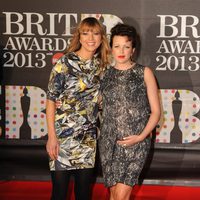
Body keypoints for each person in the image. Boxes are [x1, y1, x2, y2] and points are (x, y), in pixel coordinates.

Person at [46, 17, 110, 200]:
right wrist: (52, 137)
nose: (91, 38)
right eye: (86, 33)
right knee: (59, 193)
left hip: (87, 139)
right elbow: (50, 100)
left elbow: (101, 101)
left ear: (101, 38)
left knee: (83, 194)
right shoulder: (65, 63)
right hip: (62, 137)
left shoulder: (101, 67)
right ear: (79, 37)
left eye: (96, 33)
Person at [98, 23, 161, 200]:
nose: (121, 50)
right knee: (114, 195)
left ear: (133, 49)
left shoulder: (144, 72)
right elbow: (94, 104)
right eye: (117, 46)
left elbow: (156, 112)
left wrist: (141, 137)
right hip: (109, 142)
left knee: (121, 195)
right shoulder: (104, 75)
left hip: (136, 142)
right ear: (111, 48)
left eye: (126, 46)